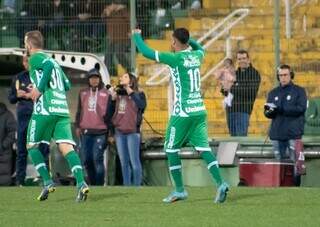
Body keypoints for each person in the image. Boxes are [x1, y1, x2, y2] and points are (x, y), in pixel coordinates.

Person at [133, 27, 229, 203]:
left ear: (174, 41)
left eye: (172, 39)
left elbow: (146, 52)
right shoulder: (196, 56)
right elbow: (201, 48)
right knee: (204, 149)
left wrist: (136, 36)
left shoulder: (175, 58)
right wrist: (189, 40)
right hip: (199, 110)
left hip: (183, 113)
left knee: (170, 149)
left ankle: (179, 190)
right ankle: (221, 183)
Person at [24, 30, 89, 202]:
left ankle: (47, 181)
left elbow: (48, 67)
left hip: (45, 110)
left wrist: (39, 89)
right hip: (61, 110)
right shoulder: (55, 61)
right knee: (67, 148)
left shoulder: (36, 58)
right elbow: (66, 84)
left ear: (29, 44)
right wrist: (42, 85)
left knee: (31, 145)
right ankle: (81, 184)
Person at [8, 55, 50, 186]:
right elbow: (11, 98)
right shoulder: (18, 77)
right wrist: (16, 95)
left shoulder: (41, 76)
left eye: (30, 61)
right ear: (23, 63)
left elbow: (48, 94)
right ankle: (20, 180)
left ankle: (44, 179)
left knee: (43, 148)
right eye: (26, 61)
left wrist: (28, 95)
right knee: (22, 151)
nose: (28, 63)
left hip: (39, 117)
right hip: (23, 120)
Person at [264, 64, 307, 186]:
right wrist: (268, 112)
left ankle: (295, 187)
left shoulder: (299, 91)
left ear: (291, 75)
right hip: (277, 134)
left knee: (295, 163)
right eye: (280, 75)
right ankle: (281, 187)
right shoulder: (273, 93)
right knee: (279, 164)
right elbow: (268, 113)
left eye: (285, 75)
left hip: (293, 133)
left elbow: (301, 109)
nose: (283, 78)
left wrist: (281, 109)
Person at [75, 68, 112, 186]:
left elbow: (110, 114)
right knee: (86, 160)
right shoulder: (82, 92)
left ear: (100, 79)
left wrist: (111, 132)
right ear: (88, 80)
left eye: (96, 78)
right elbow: (79, 110)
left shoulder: (106, 94)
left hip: (101, 131)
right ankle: (93, 184)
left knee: (97, 158)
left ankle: (99, 185)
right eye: (92, 78)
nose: (94, 80)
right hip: (86, 132)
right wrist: (77, 126)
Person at [110, 72, 146, 186]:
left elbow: (141, 105)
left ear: (131, 81)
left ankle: (137, 186)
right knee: (123, 162)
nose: (121, 78)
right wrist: (112, 99)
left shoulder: (139, 94)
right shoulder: (118, 94)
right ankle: (127, 186)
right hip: (119, 132)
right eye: (121, 77)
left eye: (125, 77)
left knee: (134, 162)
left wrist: (130, 91)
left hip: (132, 133)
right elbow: (109, 113)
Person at [226, 50, 261, 136]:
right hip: (231, 110)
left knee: (240, 138)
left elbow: (251, 92)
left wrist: (232, 87)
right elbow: (226, 91)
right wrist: (224, 86)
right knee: (232, 139)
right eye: (239, 59)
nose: (241, 61)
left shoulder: (254, 74)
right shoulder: (234, 73)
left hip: (243, 110)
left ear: (248, 59)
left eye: (244, 58)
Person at [102, 1, 131, 76]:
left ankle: (129, 69)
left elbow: (130, 20)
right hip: (112, 38)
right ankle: (108, 74)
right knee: (108, 56)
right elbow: (103, 17)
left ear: (115, 5)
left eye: (110, 5)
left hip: (122, 37)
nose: (108, 7)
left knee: (119, 53)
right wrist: (107, 13)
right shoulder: (109, 12)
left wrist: (130, 31)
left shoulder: (123, 11)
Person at [0, 102, 16, 186]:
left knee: (4, 181)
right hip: (5, 150)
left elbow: (12, 132)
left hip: (4, 152)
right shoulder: (8, 115)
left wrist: (3, 145)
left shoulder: (7, 115)